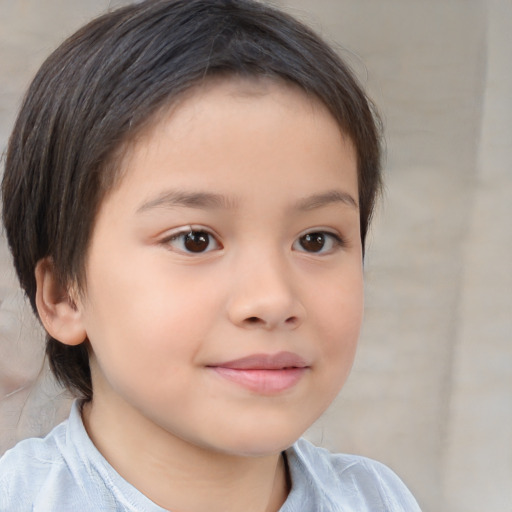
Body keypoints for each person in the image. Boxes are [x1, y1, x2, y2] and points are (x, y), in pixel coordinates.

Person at [0, 0, 421, 510]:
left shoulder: (376, 499)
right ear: (65, 294)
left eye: (315, 240)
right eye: (195, 239)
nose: (271, 299)